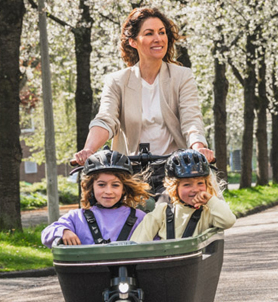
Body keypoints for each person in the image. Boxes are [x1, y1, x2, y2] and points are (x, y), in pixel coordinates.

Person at [72, 7, 215, 201]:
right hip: (131, 171)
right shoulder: (117, 81)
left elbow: (191, 119)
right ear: (133, 42)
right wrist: (89, 150)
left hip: (176, 170)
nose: (158, 38)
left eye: (162, 32)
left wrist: (198, 147)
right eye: (149, 33)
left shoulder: (182, 76)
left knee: (196, 215)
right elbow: (106, 119)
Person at [42, 149, 149, 248]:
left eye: (115, 185)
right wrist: (63, 231)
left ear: (124, 188)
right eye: (101, 185)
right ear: (91, 187)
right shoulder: (77, 217)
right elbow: (47, 233)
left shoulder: (139, 218)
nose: (108, 191)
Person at [131, 149, 235, 242]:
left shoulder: (207, 212)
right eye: (187, 185)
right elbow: (140, 238)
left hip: (194, 262)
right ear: (174, 187)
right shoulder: (163, 211)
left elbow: (228, 221)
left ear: (207, 184)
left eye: (200, 183)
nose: (195, 189)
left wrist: (211, 200)